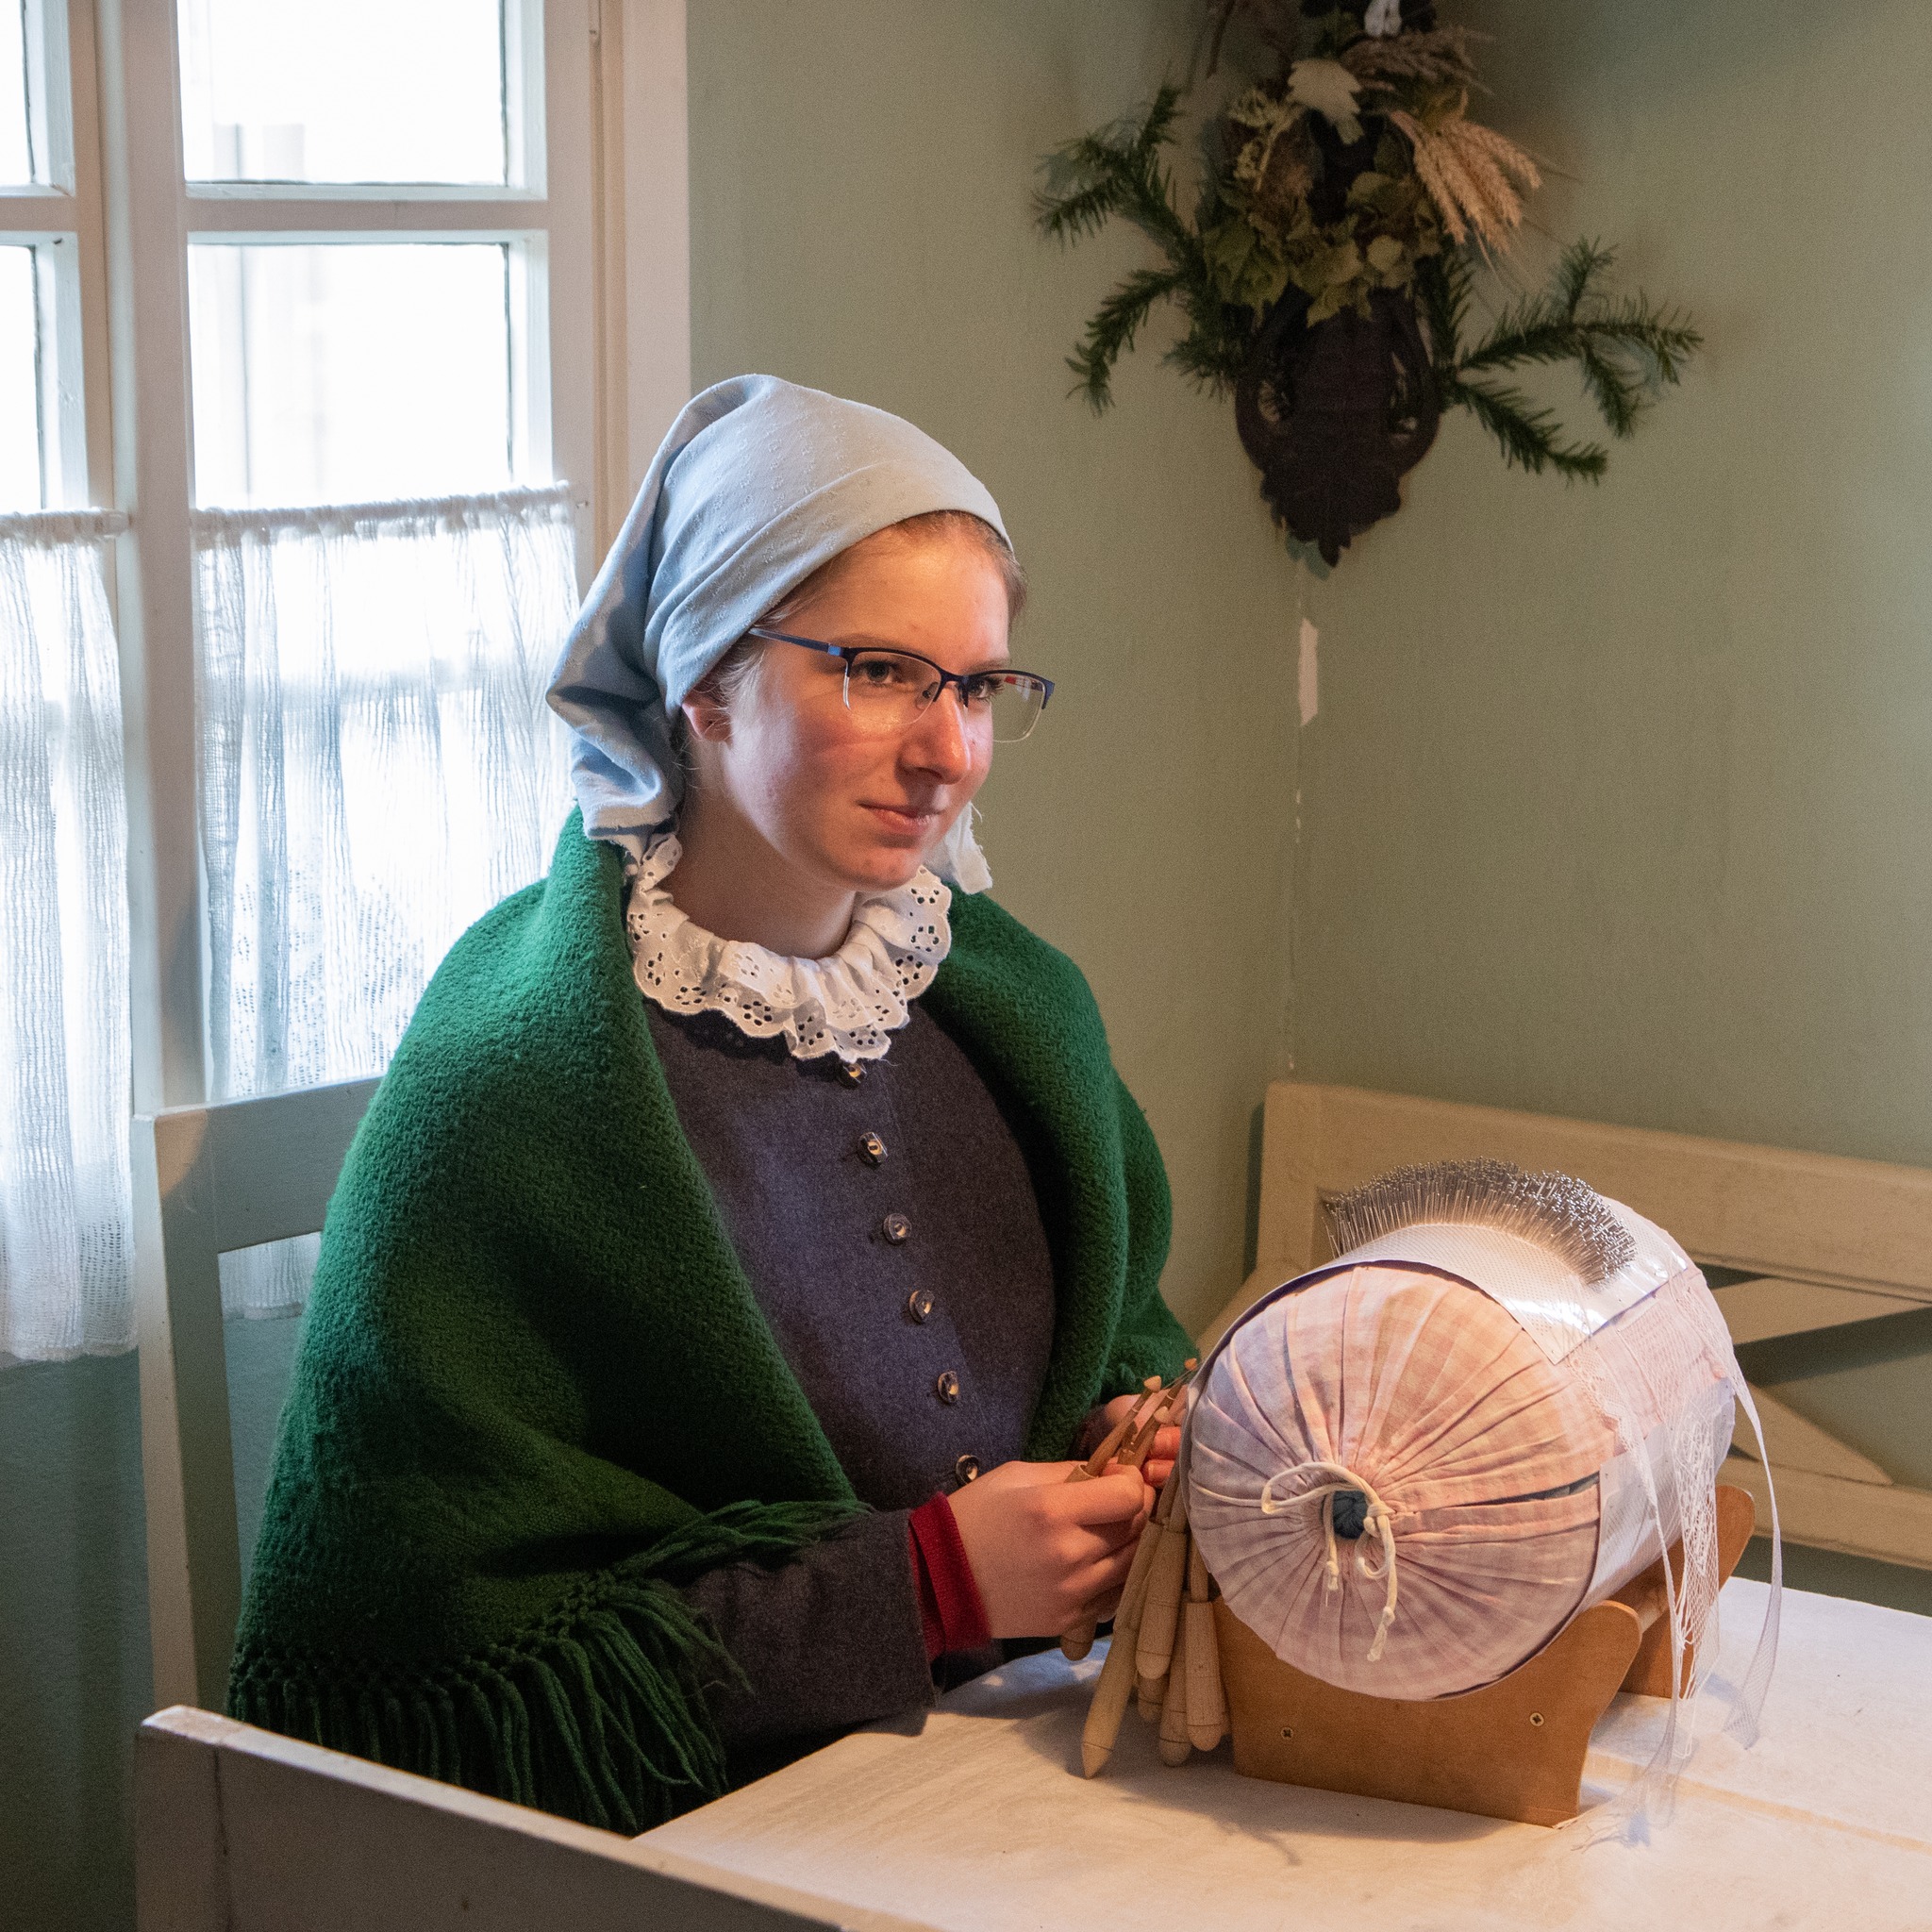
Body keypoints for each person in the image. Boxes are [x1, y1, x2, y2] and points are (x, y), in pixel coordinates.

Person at [230, 375, 1192, 1831]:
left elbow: (1123, 1335)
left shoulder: (1019, 1011)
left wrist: (1140, 1431)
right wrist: (927, 1585)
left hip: (1028, 1780)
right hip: (688, 1853)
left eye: (979, 686)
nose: (948, 750)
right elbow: (439, 1679)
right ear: (703, 675)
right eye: (880, 670)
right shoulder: (520, 1084)